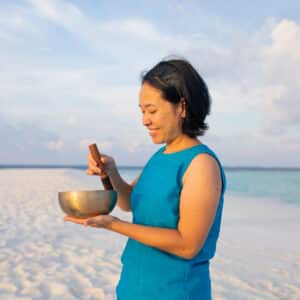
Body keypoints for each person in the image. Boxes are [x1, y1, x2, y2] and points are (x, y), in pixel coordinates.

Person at [64, 57, 226, 300]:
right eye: (142, 111)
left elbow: (188, 245)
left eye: (152, 110)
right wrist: (112, 174)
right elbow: (129, 202)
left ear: (181, 107)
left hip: (176, 292)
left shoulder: (201, 164)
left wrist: (113, 225)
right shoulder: (161, 155)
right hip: (134, 287)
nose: (144, 120)